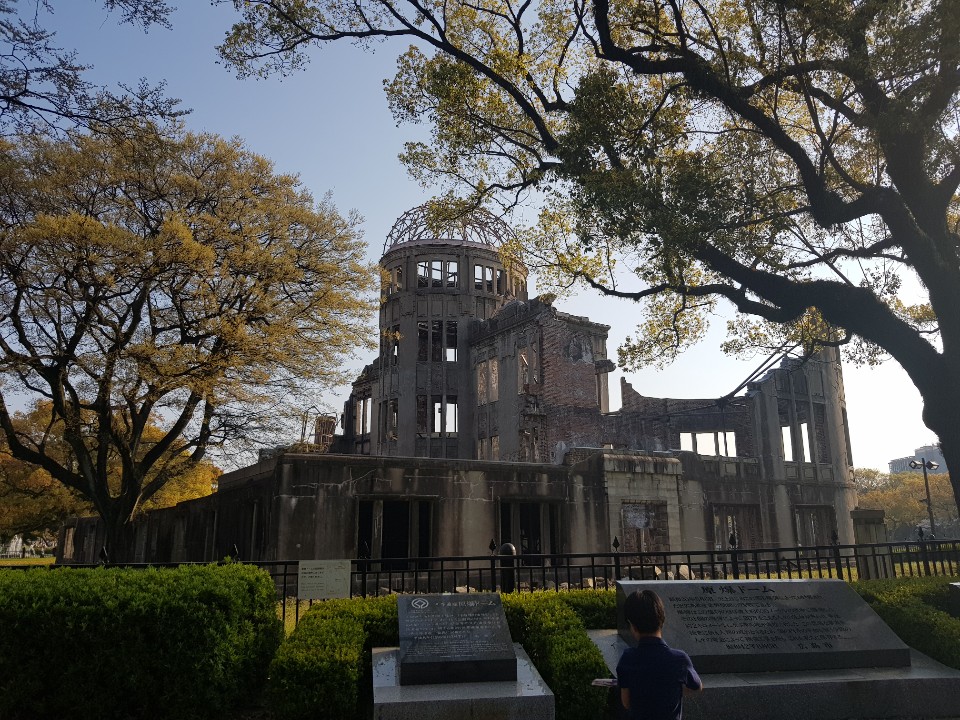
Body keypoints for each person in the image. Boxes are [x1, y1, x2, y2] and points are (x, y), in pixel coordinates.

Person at [617, 589, 702, 720]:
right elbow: (697, 686)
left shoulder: (628, 658)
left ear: (632, 626)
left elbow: (626, 702)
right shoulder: (680, 659)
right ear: (662, 619)